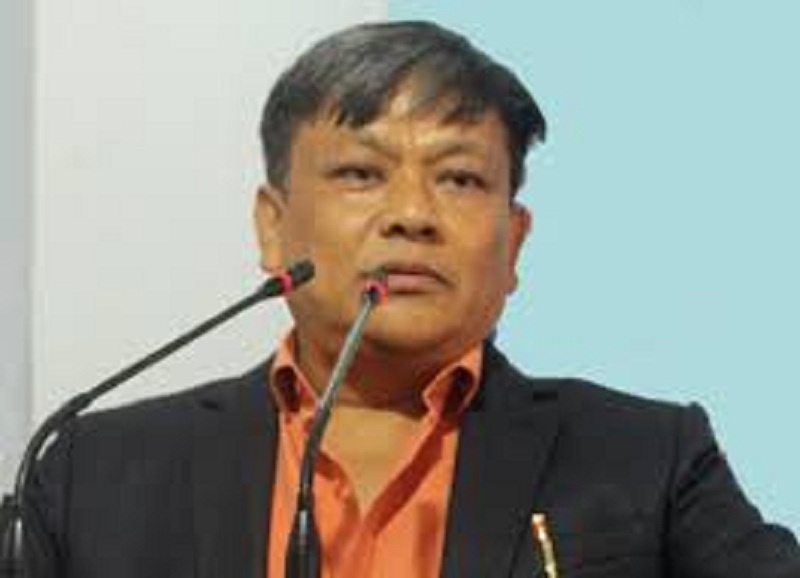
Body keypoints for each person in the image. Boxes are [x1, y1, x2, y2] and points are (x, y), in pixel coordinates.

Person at [23, 20, 800, 578]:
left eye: (459, 178)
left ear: (514, 243)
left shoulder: (647, 459)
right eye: (361, 174)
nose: (412, 214)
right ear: (273, 227)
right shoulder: (98, 474)